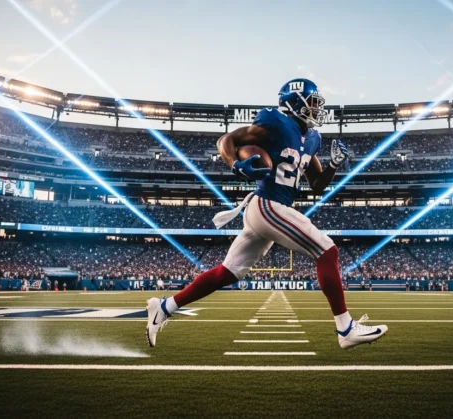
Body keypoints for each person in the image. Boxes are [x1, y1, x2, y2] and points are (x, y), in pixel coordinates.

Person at [145, 78, 387, 350]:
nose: (317, 109)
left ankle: (164, 307)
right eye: (313, 103)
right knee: (327, 251)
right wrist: (235, 164)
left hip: (267, 210)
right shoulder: (276, 123)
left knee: (228, 272)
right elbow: (227, 140)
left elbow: (317, 185)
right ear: (295, 102)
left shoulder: (313, 138)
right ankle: (346, 328)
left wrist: (333, 165)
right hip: (268, 204)